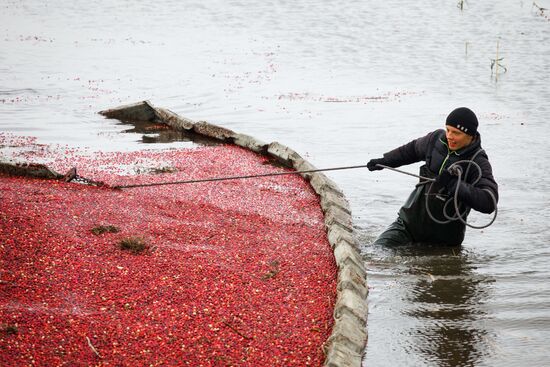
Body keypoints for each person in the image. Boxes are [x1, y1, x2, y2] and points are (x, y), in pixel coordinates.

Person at [367, 107, 498, 247]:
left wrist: (454, 184)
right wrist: (385, 161)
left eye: (456, 133)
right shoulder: (435, 139)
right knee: (377, 251)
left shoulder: (478, 161)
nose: (449, 136)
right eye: (448, 130)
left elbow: (489, 202)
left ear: (470, 136)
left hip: (444, 239)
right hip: (409, 224)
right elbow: (410, 150)